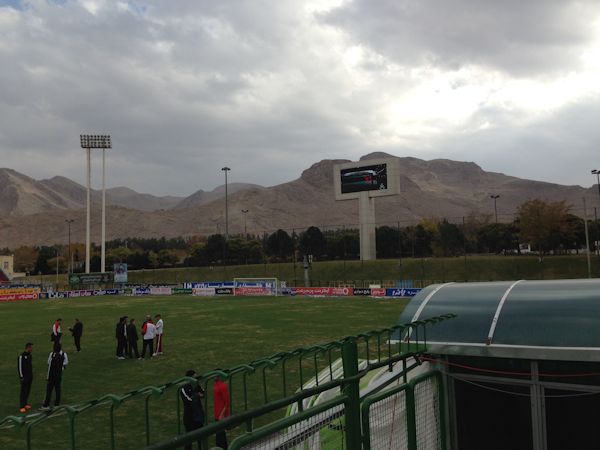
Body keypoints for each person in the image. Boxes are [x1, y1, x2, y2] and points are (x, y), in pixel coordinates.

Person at [180, 369, 205, 450]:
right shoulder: (183, 388)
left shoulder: (196, 385)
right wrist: (197, 395)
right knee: (188, 439)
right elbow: (188, 399)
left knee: (200, 437)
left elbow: (203, 393)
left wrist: (197, 395)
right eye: (194, 377)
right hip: (189, 416)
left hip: (198, 414)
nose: (196, 379)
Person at [41, 343, 68, 410]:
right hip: (59, 374)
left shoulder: (53, 355)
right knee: (57, 389)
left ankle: (46, 405)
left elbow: (49, 364)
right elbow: (65, 363)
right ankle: (57, 404)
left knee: (49, 390)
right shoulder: (63, 355)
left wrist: (48, 377)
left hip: (52, 375)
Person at [213, 371, 230, 450]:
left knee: (221, 435)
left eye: (215, 375)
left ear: (219, 376)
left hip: (221, 415)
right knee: (219, 435)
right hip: (217, 414)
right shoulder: (215, 384)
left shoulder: (223, 386)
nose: (214, 376)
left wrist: (222, 414)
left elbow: (227, 402)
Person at [17, 342, 33, 413]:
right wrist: (21, 376)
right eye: (31, 347)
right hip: (24, 377)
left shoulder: (30, 356)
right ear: (28, 348)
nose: (32, 349)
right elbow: (20, 367)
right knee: (23, 391)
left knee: (27, 390)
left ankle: (25, 403)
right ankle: (22, 406)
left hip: (30, 376)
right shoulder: (21, 356)